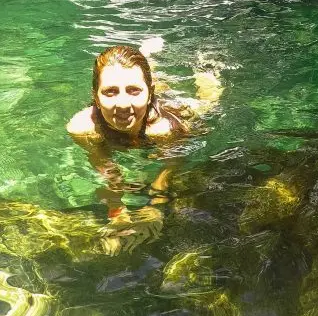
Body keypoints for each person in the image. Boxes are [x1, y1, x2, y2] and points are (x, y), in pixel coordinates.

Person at [67, 43, 221, 255]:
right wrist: (116, 210)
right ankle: (147, 64)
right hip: (141, 111)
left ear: (149, 95)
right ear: (95, 96)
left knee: (208, 105)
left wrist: (155, 205)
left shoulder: (164, 130)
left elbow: (171, 165)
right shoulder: (83, 127)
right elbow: (104, 165)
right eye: (110, 92)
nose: (122, 104)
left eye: (134, 91)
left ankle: (206, 69)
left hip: (166, 112)